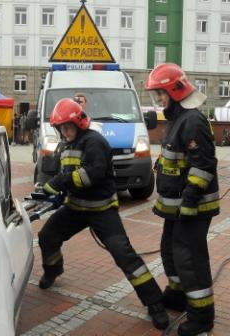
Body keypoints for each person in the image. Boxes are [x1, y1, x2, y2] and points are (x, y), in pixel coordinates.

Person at [38, 98, 169, 330]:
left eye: (68, 127)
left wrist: (59, 183)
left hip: (101, 211)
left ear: (79, 123)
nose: (65, 132)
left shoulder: (94, 142)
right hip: (76, 208)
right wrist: (50, 188)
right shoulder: (66, 144)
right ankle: (53, 270)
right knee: (47, 236)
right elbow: (58, 171)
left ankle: (155, 303)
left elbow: (91, 174)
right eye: (61, 128)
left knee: (124, 255)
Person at [145, 63, 219, 336]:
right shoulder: (177, 118)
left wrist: (188, 200)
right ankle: (177, 294)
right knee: (170, 250)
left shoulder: (193, 121)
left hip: (194, 206)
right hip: (177, 206)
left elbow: (203, 166)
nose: (158, 100)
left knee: (190, 259)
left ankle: (202, 315)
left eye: (161, 94)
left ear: (175, 91)